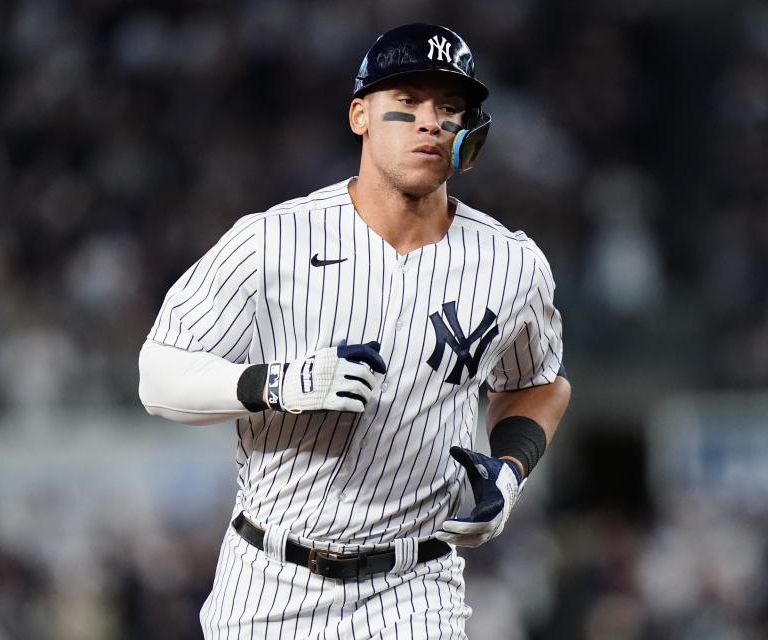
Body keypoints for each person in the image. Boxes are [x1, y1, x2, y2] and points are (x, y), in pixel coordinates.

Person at [138, 23, 570, 639]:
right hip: (269, 580)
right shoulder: (272, 241)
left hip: (415, 587)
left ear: (469, 134)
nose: (430, 122)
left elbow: (539, 384)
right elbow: (158, 378)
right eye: (408, 104)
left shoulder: (512, 263)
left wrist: (509, 471)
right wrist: (279, 383)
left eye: (450, 108)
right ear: (360, 116)